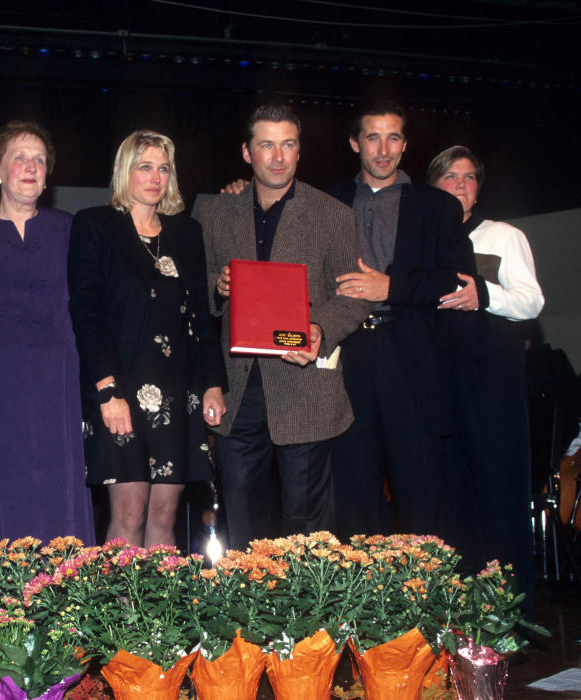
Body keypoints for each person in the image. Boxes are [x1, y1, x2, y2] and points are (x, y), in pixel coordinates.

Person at [198, 104, 369, 548]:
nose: (278, 156)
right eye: (266, 144)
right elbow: (193, 298)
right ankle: (244, 616)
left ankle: (312, 617)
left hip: (306, 383)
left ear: (299, 151)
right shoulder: (216, 212)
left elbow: (353, 294)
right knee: (243, 526)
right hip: (238, 390)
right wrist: (217, 286)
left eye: (288, 144)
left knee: (309, 529)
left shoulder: (333, 214)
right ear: (246, 152)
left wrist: (319, 330)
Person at [0, 121, 94, 611]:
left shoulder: (70, 231)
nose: (29, 167)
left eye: (39, 160)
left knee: (55, 490)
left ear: (47, 177)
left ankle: (59, 607)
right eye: (18, 157)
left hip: (56, 381)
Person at [325, 100, 477, 540]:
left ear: (405, 145)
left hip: (411, 357)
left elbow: (457, 283)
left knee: (420, 494)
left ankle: (423, 602)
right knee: (353, 493)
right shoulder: (325, 201)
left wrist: (389, 287)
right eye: (373, 137)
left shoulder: (438, 206)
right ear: (355, 143)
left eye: (393, 137)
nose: (383, 149)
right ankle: (363, 604)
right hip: (346, 355)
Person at [68, 130, 227, 547]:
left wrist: (212, 383)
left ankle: (162, 615)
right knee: (130, 513)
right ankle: (116, 615)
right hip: (120, 389)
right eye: (145, 167)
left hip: (178, 393)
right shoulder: (95, 225)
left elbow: (201, 318)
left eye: (163, 168)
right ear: (125, 171)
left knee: (164, 516)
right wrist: (107, 390)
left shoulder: (186, 233)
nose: (155, 177)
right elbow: (87, 314)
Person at [428, 144, 542, 587]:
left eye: (469, 177)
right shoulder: (424, 243)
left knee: (500, 496)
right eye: (449, 177)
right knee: (452, 502)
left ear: (478, 189)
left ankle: (511, 614)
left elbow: (532, 302)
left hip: (494, 384)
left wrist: (486, 296)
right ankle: (460, 617)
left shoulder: (503, 235)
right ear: (432, 188)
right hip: (442, 383)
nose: (460, 184)